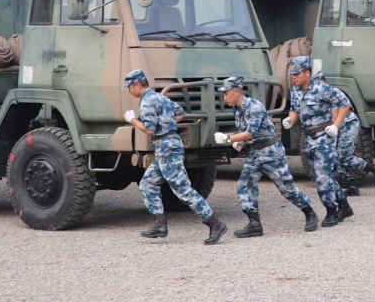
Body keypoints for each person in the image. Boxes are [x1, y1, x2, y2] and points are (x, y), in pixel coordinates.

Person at [122, 69, 227, 245]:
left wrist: (132, 119)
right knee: (147, 184)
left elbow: (149, 130)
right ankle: (160, 224)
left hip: (166, 147)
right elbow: (181, 113)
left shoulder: (147, 101)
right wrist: (168, 124)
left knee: (183, 190)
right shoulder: (161, 98)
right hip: (168, 145)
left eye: (129, 87)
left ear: (137, 85)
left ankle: (215, 223)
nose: (129, 91)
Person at [214, 76, 319, 237]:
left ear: (236, 91)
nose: (224, 97)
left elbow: (251, 132)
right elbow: (247, 131)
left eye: (226, 93)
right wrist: (241, 143)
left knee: (287, 188)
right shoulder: (236, 108)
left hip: (271, 152)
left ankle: (310, 213)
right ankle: (255, 224)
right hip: (255, 152)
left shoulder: (254, 107)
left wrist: (228, 138)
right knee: (245, 184)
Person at [283, 56, 353, 227]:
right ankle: (344, 205)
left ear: (307, 73)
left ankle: (331, 211)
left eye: (297, 73)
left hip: (324, 136)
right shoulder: (295, 90)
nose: (294, 77)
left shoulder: (322, 88)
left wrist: (336, 125)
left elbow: (345, 104)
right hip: (308, 137)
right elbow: (294, 110)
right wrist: (290, 120)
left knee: (321, 175)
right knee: (323, 175)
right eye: (292, 74)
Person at [312, 71, 375, 195]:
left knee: (344, 157)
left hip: (348, 124)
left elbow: (335, 110)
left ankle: (374, 168)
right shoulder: (322, 93)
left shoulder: (329, 91)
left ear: (321, 80)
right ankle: (352, 186)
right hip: (342, 126)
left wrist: (334, 128)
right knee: (339, 157)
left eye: (316, 82)